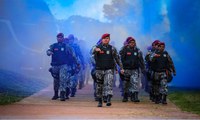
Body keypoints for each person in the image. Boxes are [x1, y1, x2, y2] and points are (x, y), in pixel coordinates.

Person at [92, 33, 124, 107]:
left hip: (109, 69)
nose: (106, 39)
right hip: (99, 69)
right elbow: (91, 52)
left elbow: (117, 59)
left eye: (107, 38)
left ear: (109, 40)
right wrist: (95, 50)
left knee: (108, 83)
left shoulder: (112, 48)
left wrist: (121, 68)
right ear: (102, 40)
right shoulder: (97, 47)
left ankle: (108, 99)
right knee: (99, 86)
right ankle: (100, 101)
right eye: (104, 38)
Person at [47, 33, 80, 101]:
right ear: (57, 38)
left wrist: (77, 64)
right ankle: (56, 94)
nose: (59, 38)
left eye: (61, 37)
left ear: (63, 38)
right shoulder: (53, 45)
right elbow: (48, 51)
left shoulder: (67, 46)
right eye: (58, 37)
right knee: (56, 80)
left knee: (63, 79)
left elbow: (74, 55)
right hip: (55, 65)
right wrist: (49, 52)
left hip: (63, 65)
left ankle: (62, 94)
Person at [119, 37, 145, 102]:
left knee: (135, 83)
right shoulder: (124, 50)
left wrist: (143, 69)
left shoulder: (138, 51)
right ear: (128, 43)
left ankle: (135, 97)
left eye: (133, 42)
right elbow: (120, 59)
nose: (132, 44)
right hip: (126, 69)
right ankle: (125, 96)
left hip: (135, 69)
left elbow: (141, 60)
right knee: (126, 83)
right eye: (131, 42)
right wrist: (121, 68)